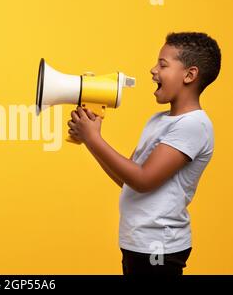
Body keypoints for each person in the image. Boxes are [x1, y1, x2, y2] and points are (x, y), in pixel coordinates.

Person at [68, 32, 221, 275]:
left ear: (190, 75)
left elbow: (143, 180)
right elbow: (128, 179)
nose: (153, 70)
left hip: (158, 245)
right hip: (137, 241)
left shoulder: (193, 125)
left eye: (163, 64)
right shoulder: (158, 120)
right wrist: (90, 141)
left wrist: (94, 138)